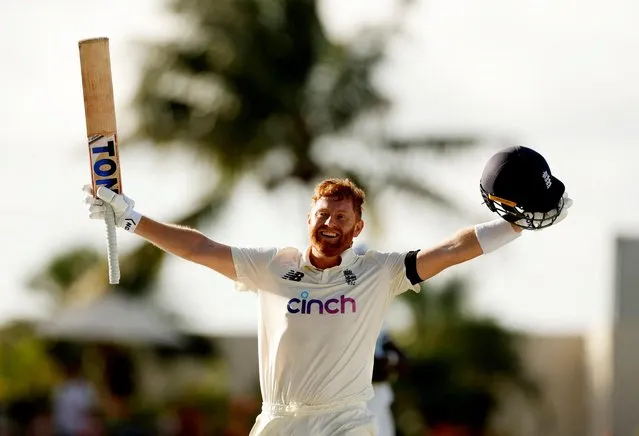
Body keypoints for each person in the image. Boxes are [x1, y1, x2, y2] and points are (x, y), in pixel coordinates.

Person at [83, 145, 572, 436]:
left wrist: (514, 225)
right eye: (323, 214)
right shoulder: (271, 267)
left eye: (342, 217)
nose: (330, 222)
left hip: (345, 421)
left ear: (357, 228)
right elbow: (199, 247)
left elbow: (449, 249)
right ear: (309, 219)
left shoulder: (378, 272)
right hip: (279, 421)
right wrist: (132, 218)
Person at [367, 329, 408, 436]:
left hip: (381, 402)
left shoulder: (379, 317)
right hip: (356, 404)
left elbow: (402, 360)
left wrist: (393, 360)